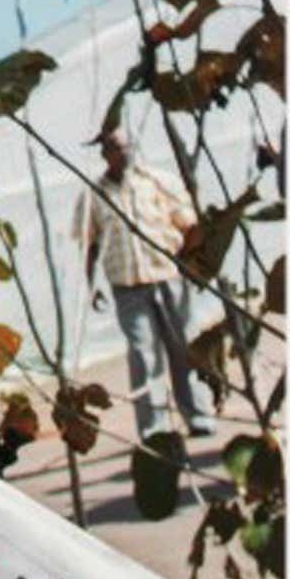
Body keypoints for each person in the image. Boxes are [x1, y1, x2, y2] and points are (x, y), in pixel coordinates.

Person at [77, 129, 216, 440]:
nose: (123, 152)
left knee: (184, 346)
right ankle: (155, 429)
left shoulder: (156, 181)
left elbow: (190, 224)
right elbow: (90, 243)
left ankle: (199, 415)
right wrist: (92, 284)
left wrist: (191, 263)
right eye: (115, 148)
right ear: (104, 153)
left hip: (167, 276)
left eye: (127, 146)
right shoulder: (95, 194)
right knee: (143, 354)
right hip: (127, 286)